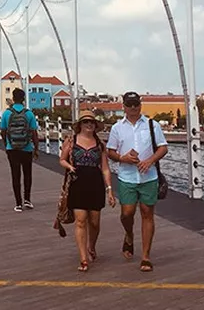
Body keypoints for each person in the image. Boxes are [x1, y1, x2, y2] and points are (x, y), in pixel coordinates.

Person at [107, 91, 168, 272]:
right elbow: (110, 151)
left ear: (140, 105)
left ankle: (146, 256)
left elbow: (163, 148)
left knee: (147, 212)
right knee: (127, 213)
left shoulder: (152, 125)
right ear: (123, 106)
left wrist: (150, 160)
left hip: (149, 177)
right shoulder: (117, 128)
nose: (133, 108)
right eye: (129, 105)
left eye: (136, 104)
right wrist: (122, 158)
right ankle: (129, 234)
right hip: (127, 176)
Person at [59, 109, 116, 272]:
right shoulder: (71, 141)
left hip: (95, 184)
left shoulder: (99, 145)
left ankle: (92, 246)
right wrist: (69, 166)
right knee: (81, 220)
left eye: (91, 122)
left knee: (95, 221)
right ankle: (83, 258)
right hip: (78, 183)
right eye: (86, 122)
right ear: (80, 125)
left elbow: (105, 168)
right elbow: (62, 159)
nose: (89, 124)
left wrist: (109, 190)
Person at [0, 88, 39, 212]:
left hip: (12, 148)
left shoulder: (7, 113)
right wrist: (36, 149)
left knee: (15, 175)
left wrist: (6, 144)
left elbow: (3, 131)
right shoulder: (29, 114)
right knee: (27, 174)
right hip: (27, 148)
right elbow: (34, 133)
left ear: (13, 97)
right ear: (23, 99)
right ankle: (27, 199)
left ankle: (18, 203)